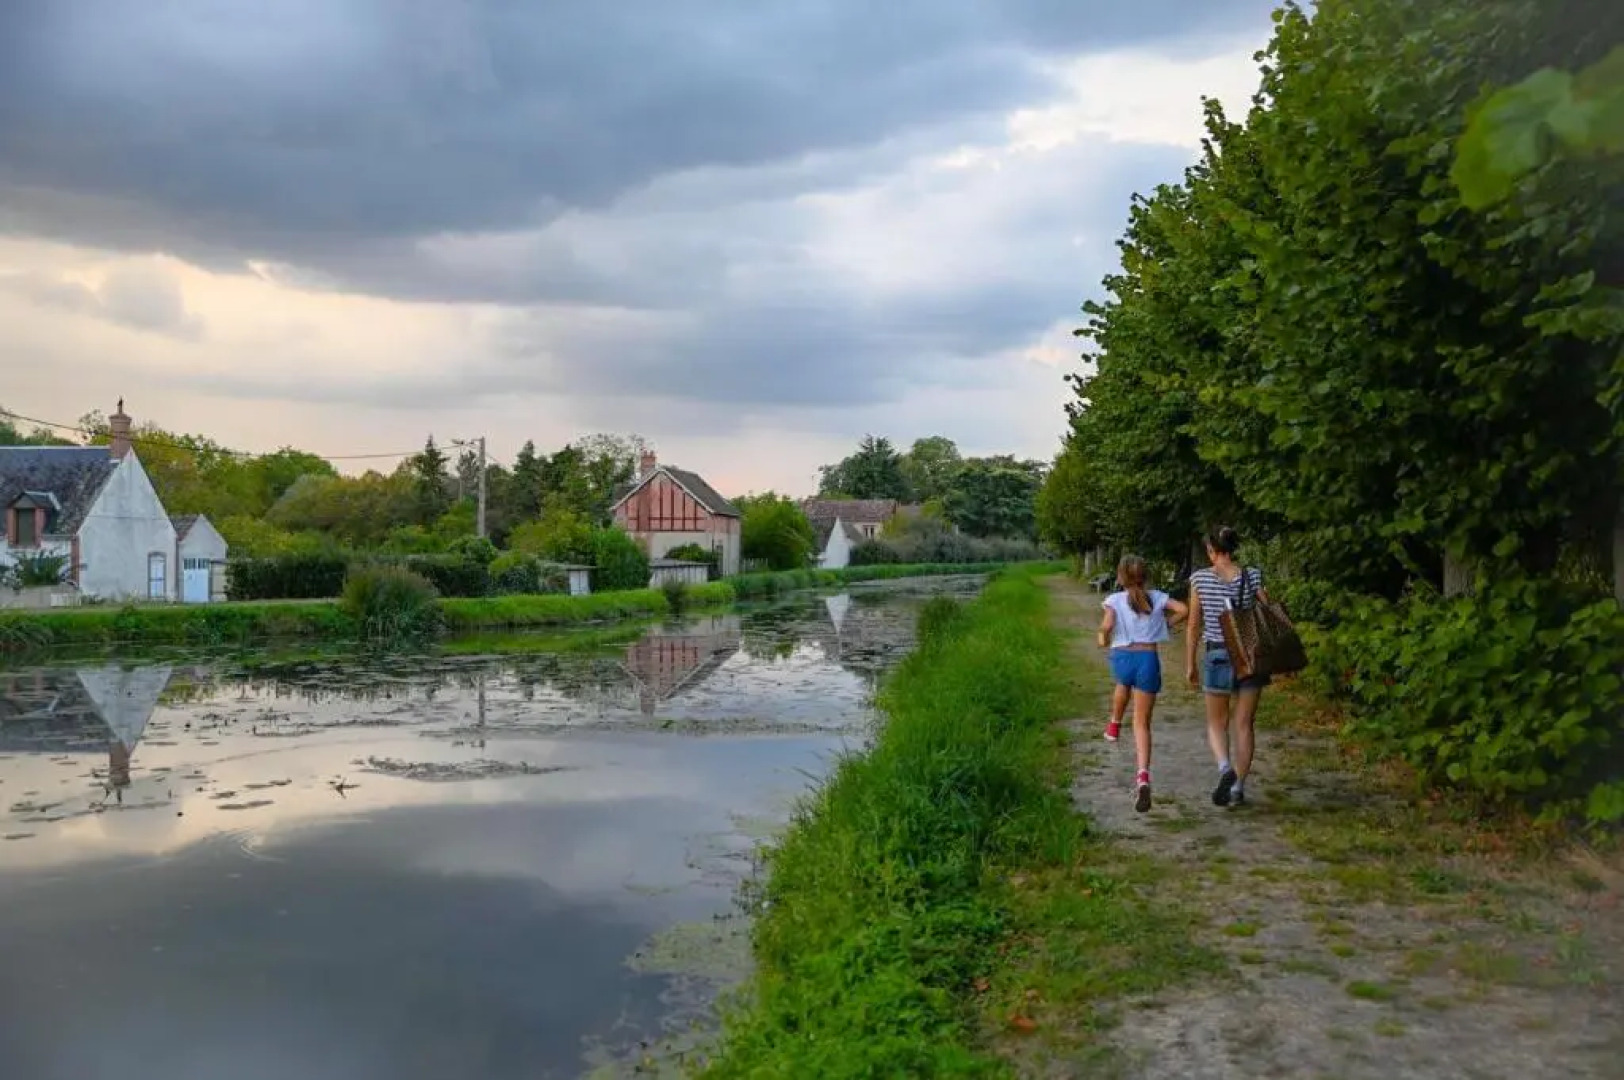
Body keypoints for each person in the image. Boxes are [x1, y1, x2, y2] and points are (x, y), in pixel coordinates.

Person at [1185, 526, 1269, 808]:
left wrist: (1190, 663)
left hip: (1217, 654)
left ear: (1212, 550)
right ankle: (1238, 788)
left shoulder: (1199, 579)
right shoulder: (1253, 575)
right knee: (1244, 724)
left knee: (1216, 723)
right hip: (1250, 657)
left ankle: (1224, 768)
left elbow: (1194, 624)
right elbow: (1266, 612)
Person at [1098, 555, 1187, 813]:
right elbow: (1184, 610)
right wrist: (1164, 626)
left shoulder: (1113, 600)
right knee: (1141, 723)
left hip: (1123, 657)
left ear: (1120, 577)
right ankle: (1143, 777)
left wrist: (1104, 634)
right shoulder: (1157, 597)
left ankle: (1114, 724)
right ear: (1145, 576)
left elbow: (1106, 625)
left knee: (1122, 685)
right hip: (1148, 659)